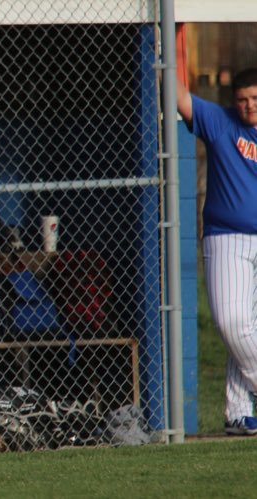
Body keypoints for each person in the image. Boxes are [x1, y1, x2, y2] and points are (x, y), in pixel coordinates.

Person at [176, 27, 257, 436]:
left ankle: (239, 413)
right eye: (242, 99)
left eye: (255, 99)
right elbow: (179, 96)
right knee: (231, 322)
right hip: (228, 235)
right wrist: (176, 37)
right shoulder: (221, 122)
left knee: (251, 324)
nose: (248, 106)